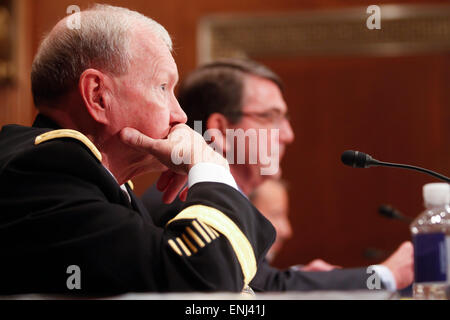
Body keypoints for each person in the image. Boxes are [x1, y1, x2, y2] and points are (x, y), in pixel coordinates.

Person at [0, 5, 276, 295]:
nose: (180, 115)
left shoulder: (96, 182)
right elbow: (203, 283)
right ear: (98, 96)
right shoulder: (43, 172)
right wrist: (209, 167)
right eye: (161, 87)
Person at [142, 58, 414, 291]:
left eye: (285, 119)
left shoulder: (226, 197)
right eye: (270, 117)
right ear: (221, 130)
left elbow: (259, 282)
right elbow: (261, 290)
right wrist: (384, 275)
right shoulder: (184, 198)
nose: (288, 135)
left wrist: (301, 275)